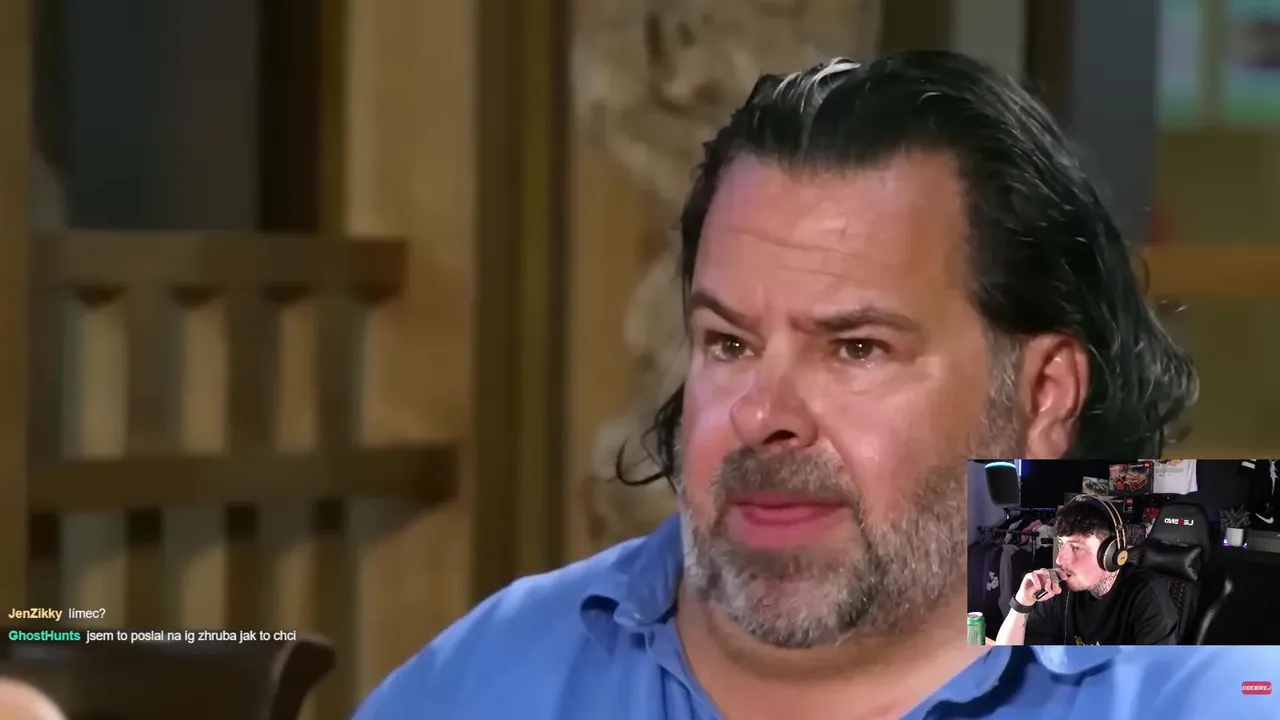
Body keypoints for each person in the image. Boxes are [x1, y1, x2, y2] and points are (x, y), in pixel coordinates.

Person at [356, 51, 1270, 719]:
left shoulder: (1211, 631)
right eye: (728, 342)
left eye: (856, 349)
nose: (763, 415)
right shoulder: (507, 663)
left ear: (1044, 397)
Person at [993, 497, 1178, 646]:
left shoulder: (1147, 599)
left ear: (1111, 555)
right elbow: (1007, 660)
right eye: (1061, 544)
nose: (1059, 559)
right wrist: (1022, 602)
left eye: (1076, 547)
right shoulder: (1059, 589)